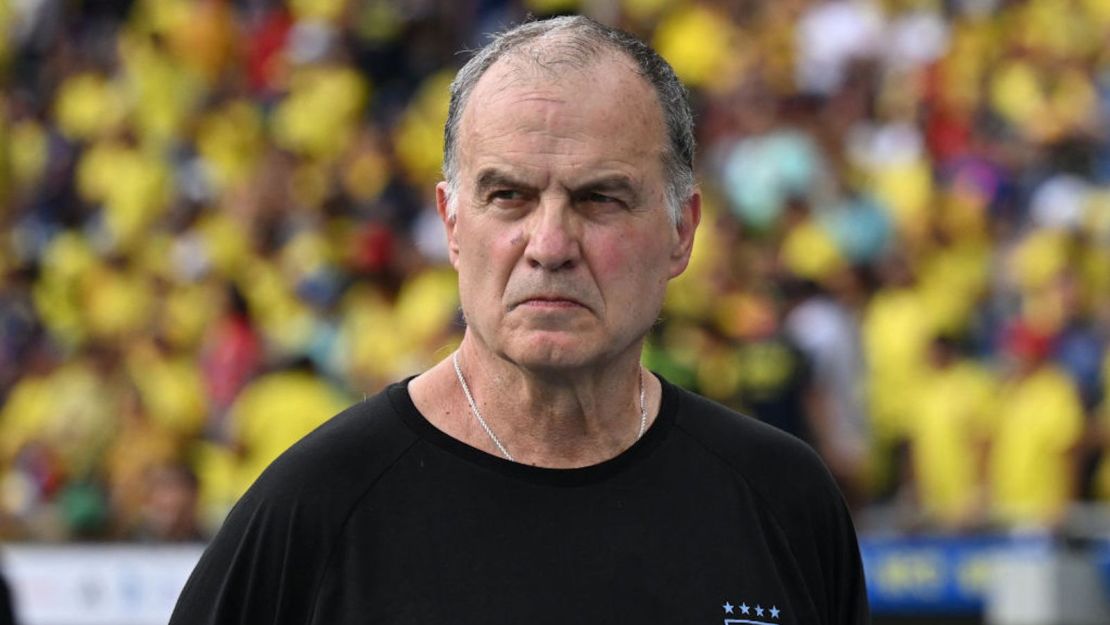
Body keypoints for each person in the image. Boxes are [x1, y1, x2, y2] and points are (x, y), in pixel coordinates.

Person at [170, 16, 869, 624]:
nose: (551, 245)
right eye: (509, 195)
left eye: (600, 198)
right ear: (450, 223)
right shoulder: (314, 509)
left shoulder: (784, 501)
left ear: (681, 232)